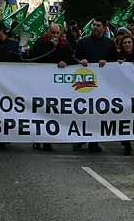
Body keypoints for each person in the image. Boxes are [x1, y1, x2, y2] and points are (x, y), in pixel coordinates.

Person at [27, 22, 74, 152]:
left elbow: (71, 59)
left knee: (50, 112)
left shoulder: (65, 45)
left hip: (54, 87)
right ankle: (37, 138)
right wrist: (50, 46)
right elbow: (34, 58)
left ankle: (47, 140)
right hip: (40, 84)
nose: (55, 35)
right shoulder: (40, 43)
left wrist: (66, 63)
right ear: (48, 32)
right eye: (52, 32)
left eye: (57, 33)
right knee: (39, 112)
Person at [73, 19, 113, 153]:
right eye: (94, 25)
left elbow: (115, 62)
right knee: (83, 112)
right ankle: (79, 140)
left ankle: (94, 141)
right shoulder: (83, 42)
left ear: (104, 28)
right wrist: (80, 60)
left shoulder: (109, 44)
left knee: (97, 113)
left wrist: (107, 62)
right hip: (84, 83)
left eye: (98, 25)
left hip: (103, 85)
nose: (95, 27)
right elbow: (73, 58)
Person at [109, 32, 134, 155]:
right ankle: (126, 142)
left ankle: (127, 139)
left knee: (131, 118)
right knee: (123, 117)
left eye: (129, 42)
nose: (127, 44)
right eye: (125, 43)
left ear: (133, 43)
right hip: (121, 91)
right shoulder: (118, 57)